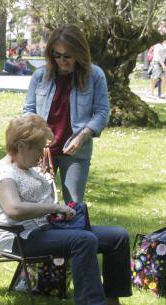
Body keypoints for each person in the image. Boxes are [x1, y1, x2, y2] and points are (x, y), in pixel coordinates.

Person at [0, 115, 138, 305]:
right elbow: (14, 209)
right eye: (38, 149)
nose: (41, 155)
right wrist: (52, 207)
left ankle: (110, 301)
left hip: (46, 229)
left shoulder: (26, 167)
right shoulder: (4, 173)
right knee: (83, 241)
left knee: (117, 236)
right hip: (21, 238)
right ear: (21, 146)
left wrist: (58, 209)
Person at [23, 24, 110, 203]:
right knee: (40, 203)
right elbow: (29, 110)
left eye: (68, 56)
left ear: (79, 53)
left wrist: (83, 135)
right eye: (57, 55)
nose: (62, 60)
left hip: (76, 152)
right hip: (43, 151)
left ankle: (75, 231)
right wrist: (37, 133)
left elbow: (102, 112)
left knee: (74, 204)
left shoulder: (94, 75)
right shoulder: (40, 76)